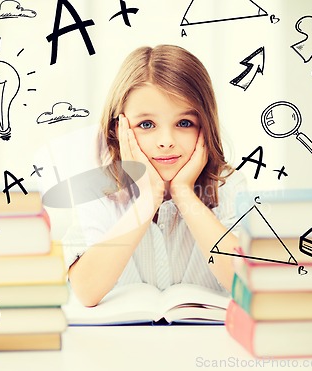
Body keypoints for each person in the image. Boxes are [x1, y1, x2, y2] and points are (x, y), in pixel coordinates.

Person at [63, 44, 245, 307]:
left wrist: (184, 194)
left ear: (205, 126)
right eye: (146, 125)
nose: (166, 141)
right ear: (119, 129)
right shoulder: (97, 187)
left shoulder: (228, 185)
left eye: (184, 123)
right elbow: (86, 290)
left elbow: (247, 284)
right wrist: (148, 198)